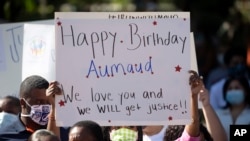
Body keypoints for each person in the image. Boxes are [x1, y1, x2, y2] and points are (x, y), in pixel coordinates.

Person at [0, 75, 62, 141]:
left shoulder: (63, 132)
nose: (45, 106)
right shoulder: (5, 133)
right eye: (39, 101)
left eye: (48, 101)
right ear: (23, 103)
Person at [215, 75, 250, 140]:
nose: (233, 91)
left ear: (246, 91)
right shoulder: (217, 114)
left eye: (237, 88)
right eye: (230, 89)